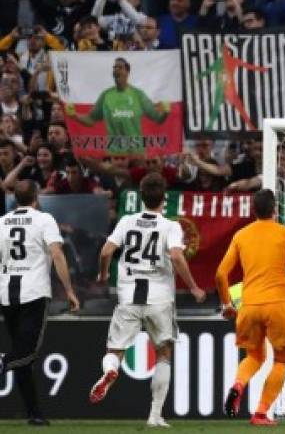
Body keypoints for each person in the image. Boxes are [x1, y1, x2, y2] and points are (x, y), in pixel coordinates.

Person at [90, 173, 205, 427]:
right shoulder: (170, 226)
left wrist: (103, 273)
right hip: (159, 298)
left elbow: (106, 250)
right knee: (163, 353)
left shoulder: (127, 221)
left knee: (115, 351)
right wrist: (194, 286)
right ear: (164, 199)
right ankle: (155, 415)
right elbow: (176, 256)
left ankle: (111, 370)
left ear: (141, 197)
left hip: (129, 296)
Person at [216, 189, 285, 426]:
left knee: (254, 356)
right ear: (275, 209)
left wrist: (226, 304)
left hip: (250, 305)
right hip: (279, 305)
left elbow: (221, 274)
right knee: (282, 360)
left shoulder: (241, 235)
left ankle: (238, 385)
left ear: (254, 211)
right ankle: (261, 413)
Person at [0, 180, 79, 425]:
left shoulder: (1, 222)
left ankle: (34, 413)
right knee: (27, 351)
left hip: (6, 294)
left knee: (25, 359)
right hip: (33, 292)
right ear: (36, 197)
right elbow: (57, 254)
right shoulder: (44, 220)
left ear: (15, 198)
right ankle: (3, 363)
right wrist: (69, 290)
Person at [64, 57, 169, 156]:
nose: (116, 70)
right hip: (114, 154)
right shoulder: (106, 95)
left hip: (137, 153)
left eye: (120, 67)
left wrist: (166, 112)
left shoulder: (138, 95)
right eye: (114, 68)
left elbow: (158, 119)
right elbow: (91, 119)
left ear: (127, 72)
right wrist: (74, 115)